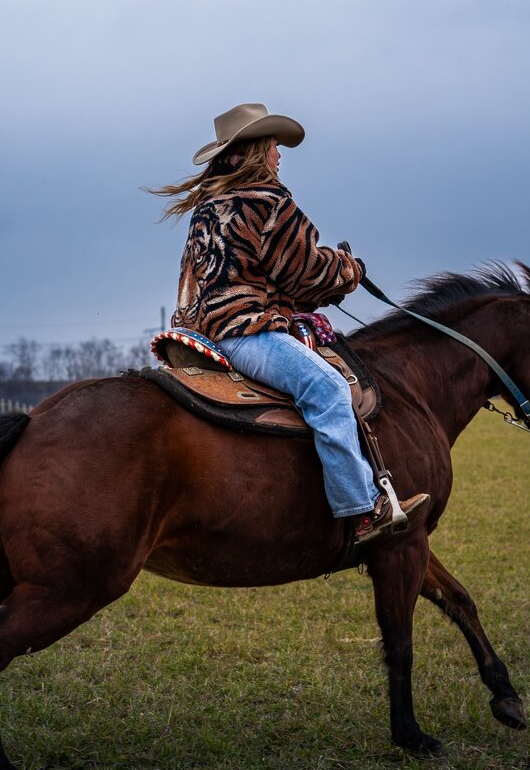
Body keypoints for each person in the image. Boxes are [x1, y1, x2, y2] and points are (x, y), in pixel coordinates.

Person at [152, 102, 428, 544]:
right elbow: (306, 271)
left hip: (199, 332)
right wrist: (350, 269)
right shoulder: (270, 201)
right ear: (257, 150)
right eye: (275, 144)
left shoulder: (208, 207)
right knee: (329, 389)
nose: (281, 153)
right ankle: (361, 509)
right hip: (246, 333)